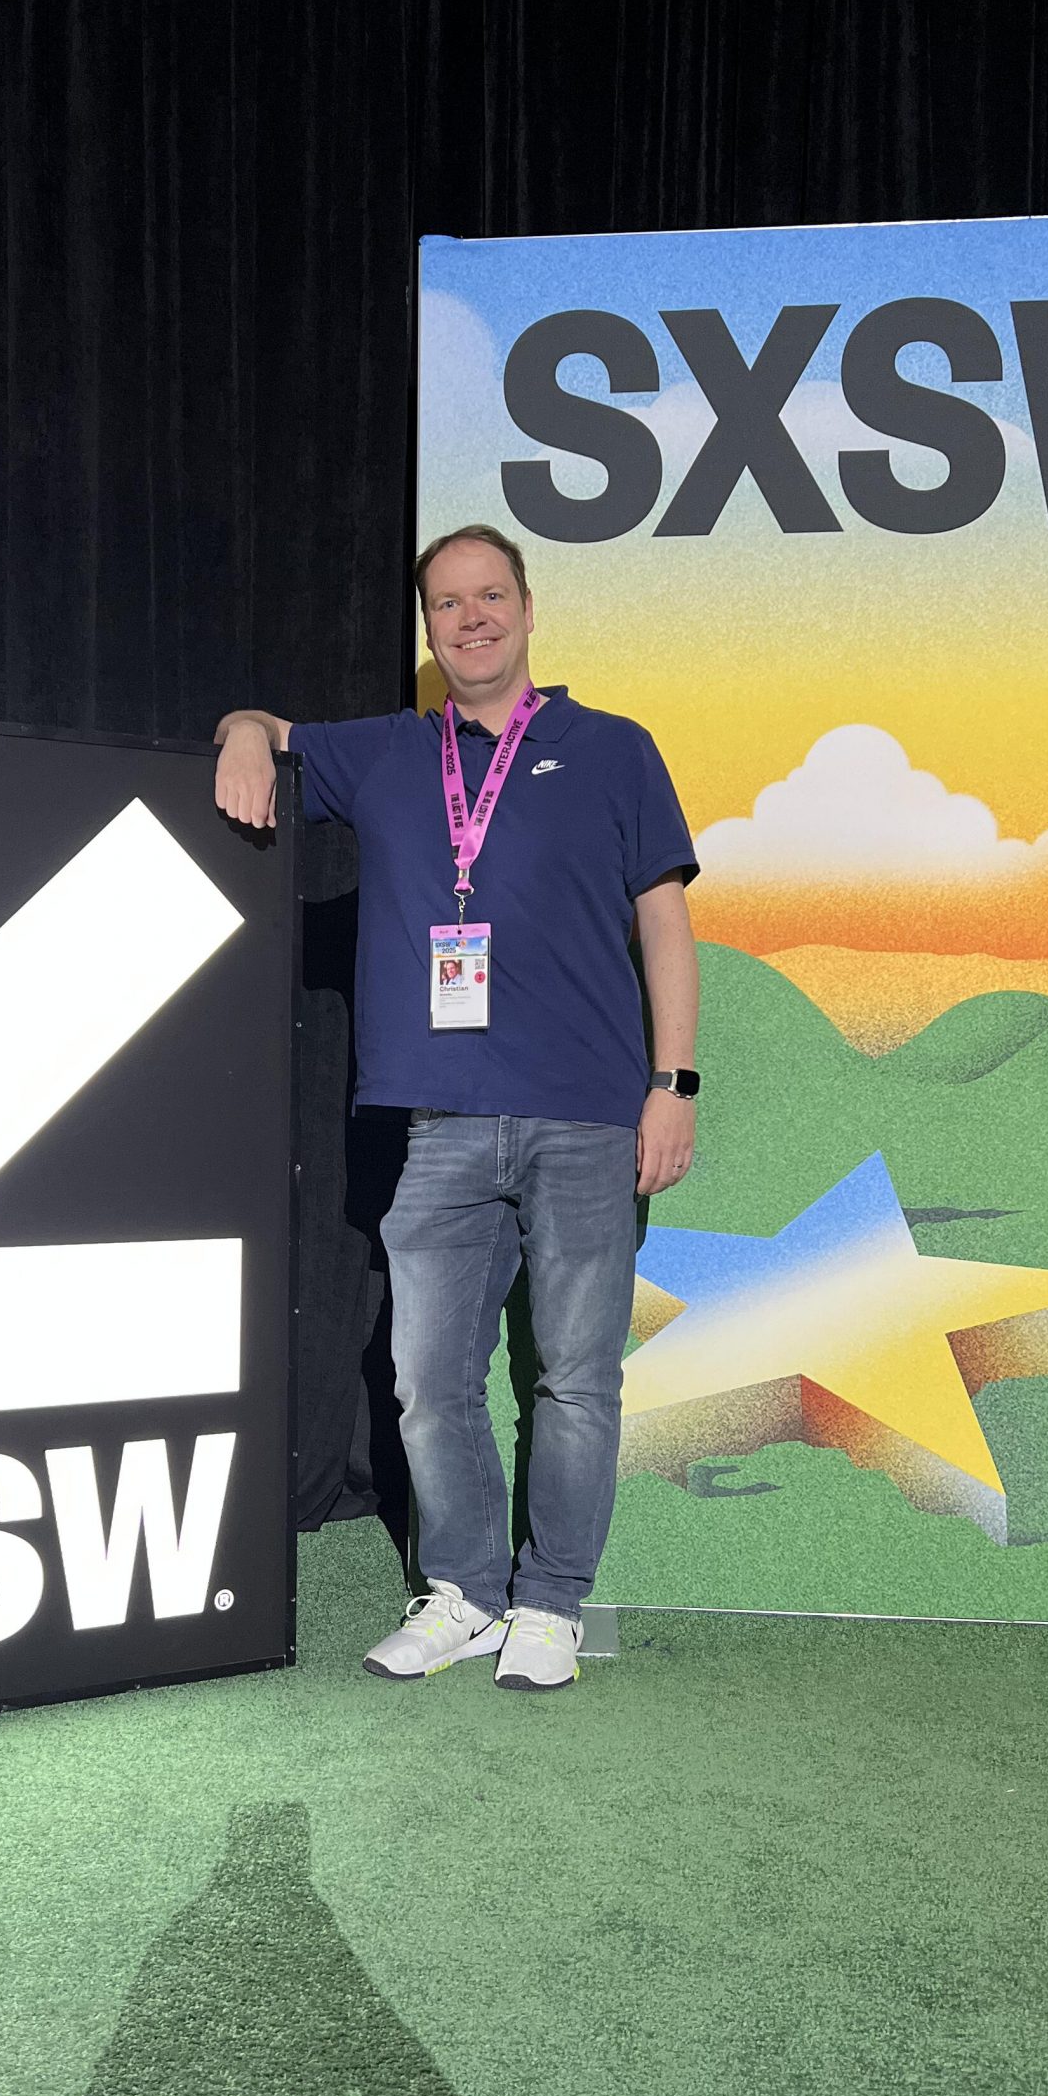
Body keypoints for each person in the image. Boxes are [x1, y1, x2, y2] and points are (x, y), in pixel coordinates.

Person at [213, 525, 699, 1691]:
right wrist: (241, 734)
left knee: (574, 1379)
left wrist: (672, 1083)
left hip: (587, 1118)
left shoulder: (614, 749)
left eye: (489, 596)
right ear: (428, 627)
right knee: (429, 1383)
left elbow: (665, 924)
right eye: (447, 603)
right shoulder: (388, 751)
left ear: (526, 608)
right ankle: (467, 1593)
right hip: (436, 1125)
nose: (470, 617)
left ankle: (552, 1603)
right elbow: (269, 727)